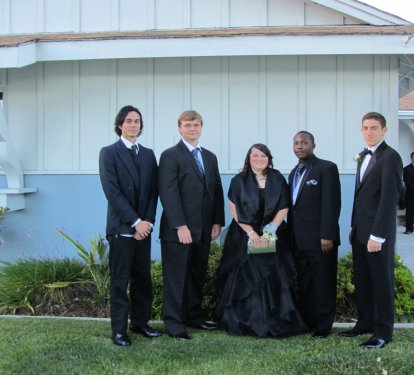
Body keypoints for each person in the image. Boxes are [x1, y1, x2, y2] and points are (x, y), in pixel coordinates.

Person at [215, 144, 308, 337]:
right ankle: (244, 321)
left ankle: (274, 320)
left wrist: (271, 230)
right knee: (245, 278)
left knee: (274, 277)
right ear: (249, 158)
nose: (259, 159)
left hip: (273, 235)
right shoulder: (238, 180)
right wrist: (252, 234)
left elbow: (284, 206)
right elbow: (234, 208)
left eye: (263, 156)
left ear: (269, 158)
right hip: (244, 235)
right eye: (255, 155)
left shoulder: (278, 178)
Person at [158, 110, 225, 340]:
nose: (192, 129)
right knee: (176, 279)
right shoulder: (170, 156)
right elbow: (168, 193)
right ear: (179, 128)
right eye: (187, 125)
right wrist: (180, 225)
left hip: (204, 230)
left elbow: (216, 190)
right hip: (179, 231)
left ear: (201, 127)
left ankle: (194, 316)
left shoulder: (209, 157)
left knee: (196, 276)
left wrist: (217, 221)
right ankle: (174, 324)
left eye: (196, 125)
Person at [338, 112, 402, 349]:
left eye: (374, 128)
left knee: (381, 283)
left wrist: (378, 235)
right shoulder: (363, 156)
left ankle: (383, 333)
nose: (369, 132)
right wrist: (354, 228)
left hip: (377, 235)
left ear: (384, 130)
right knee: (363, 282)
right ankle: (364, 323)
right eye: (365, 127)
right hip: (360, 232)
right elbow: (361, 198)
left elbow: (389, 199)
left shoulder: (391, 157)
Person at [99, 105, 161, 346]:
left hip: (143, 228)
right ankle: (118, 331)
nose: (134, 124)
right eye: (129, 121)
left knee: (142, 278)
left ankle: (140, 323)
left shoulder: (148, 154)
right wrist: (135, 222)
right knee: (120, 280)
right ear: (119, 125)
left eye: (137, 121)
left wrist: (147, 222)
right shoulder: (109, 153)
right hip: (121, 228)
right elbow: (112, 192)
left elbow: (153, 192)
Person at [288, 131, 341, 339]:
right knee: (306, 284)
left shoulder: (326, 168)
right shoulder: (293, 173)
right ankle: (309, 321)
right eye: (296, 143)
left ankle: (323, 326)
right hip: (299, 241)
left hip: (321, 240)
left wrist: (327, 234)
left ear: (313, 145)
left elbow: (331, 203)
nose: (299, 146)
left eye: (304, 142)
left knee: (323, 283)